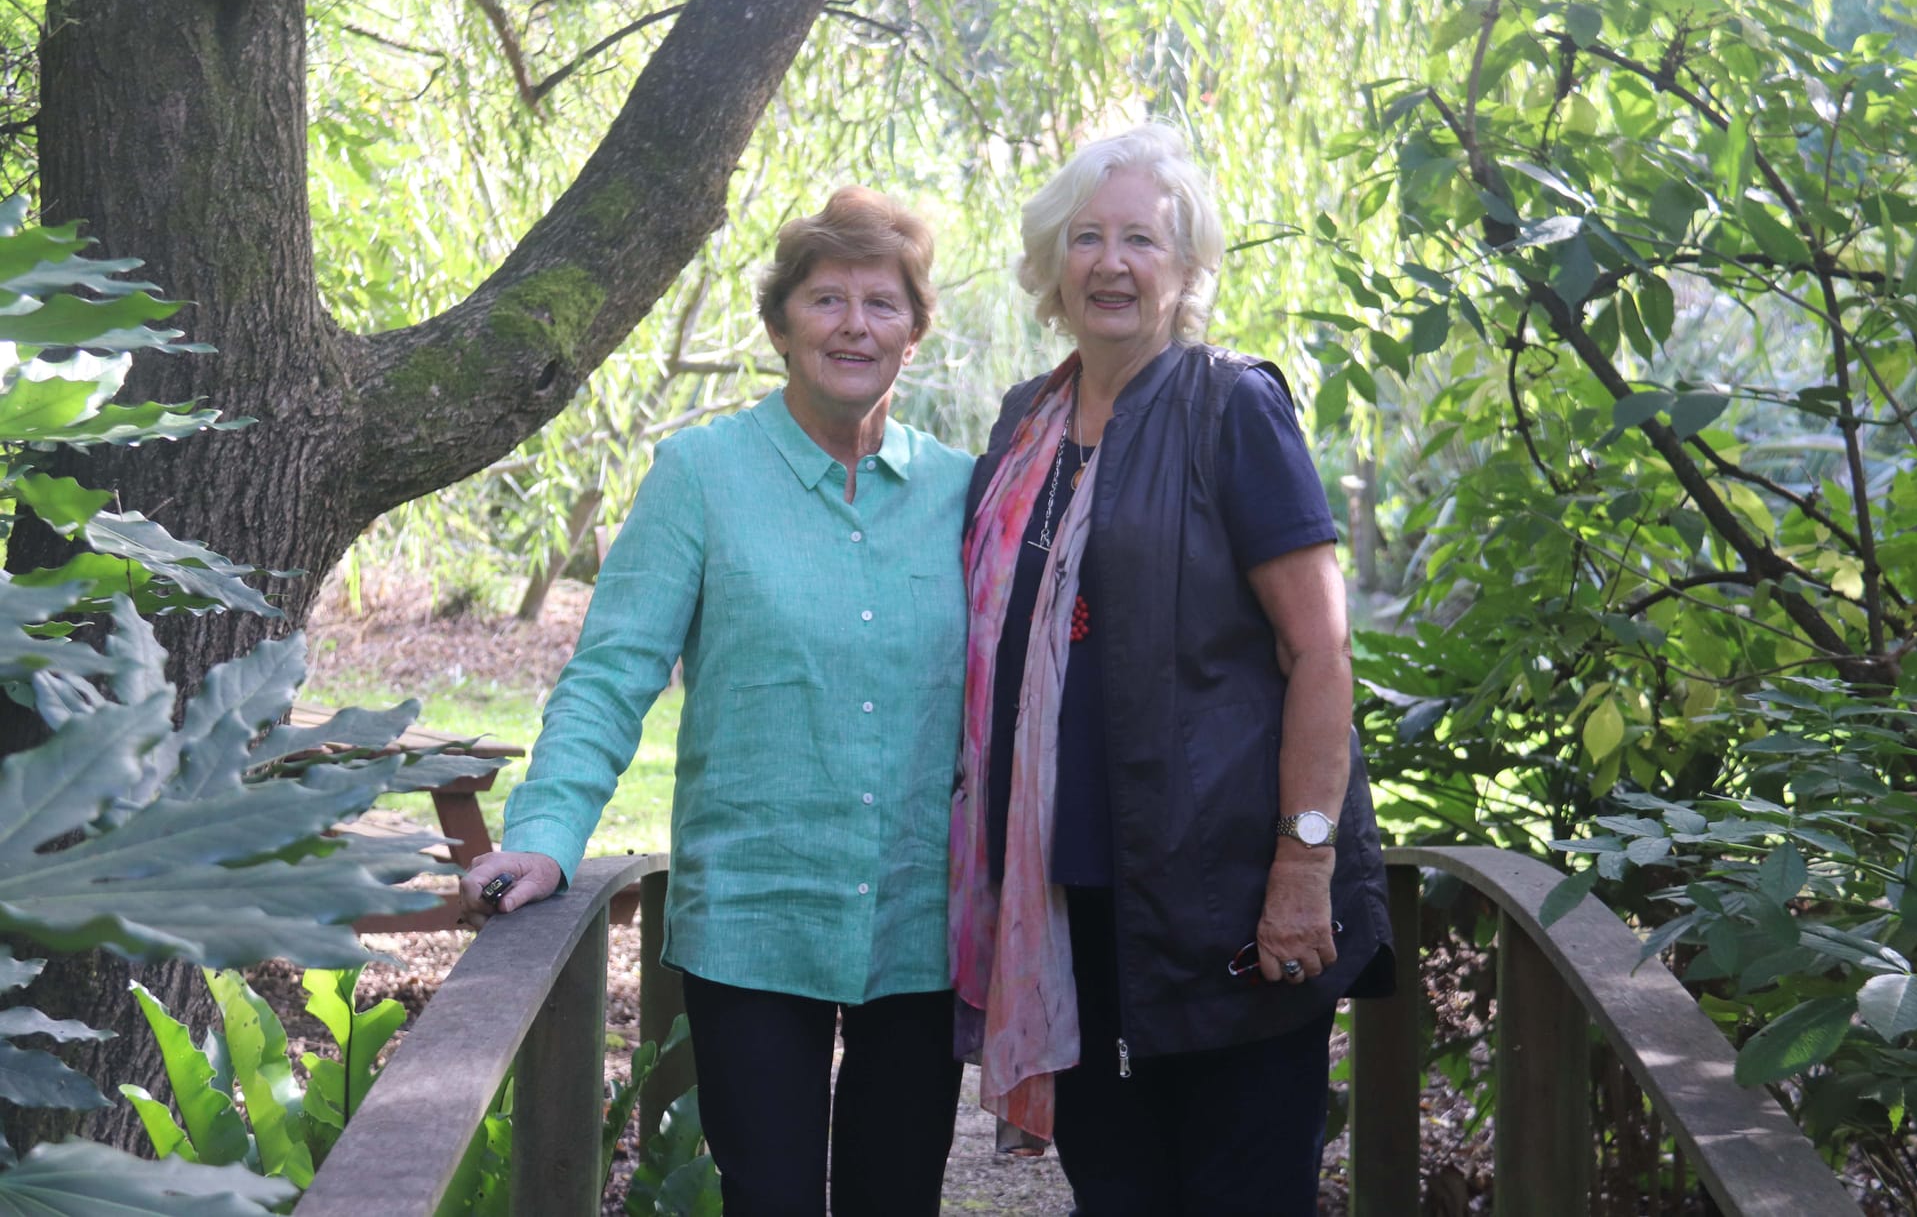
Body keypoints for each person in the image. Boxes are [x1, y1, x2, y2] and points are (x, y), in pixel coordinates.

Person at [463, 188, 971, 1217]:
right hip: (754, 913)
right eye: (826, 299)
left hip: (924, 916)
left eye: (882, 303)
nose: (854, 325)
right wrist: (546, 836)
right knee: (768, 1199)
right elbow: (611, 674)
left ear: (914, 332)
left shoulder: (964, 492)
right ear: (779, 325)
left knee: (897, 1198)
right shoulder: (700, 475)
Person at [948, 124, 1394, 1216]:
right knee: (1118, 1194)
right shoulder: (1023, 424)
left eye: (1141, 240)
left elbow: (1318, 648)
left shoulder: (1230, 406)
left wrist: (1302, 868)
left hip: (1226, 909)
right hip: (1068, 909)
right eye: (1086, 238)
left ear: (1186, 269)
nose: (1111, 263)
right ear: (1052, 264)